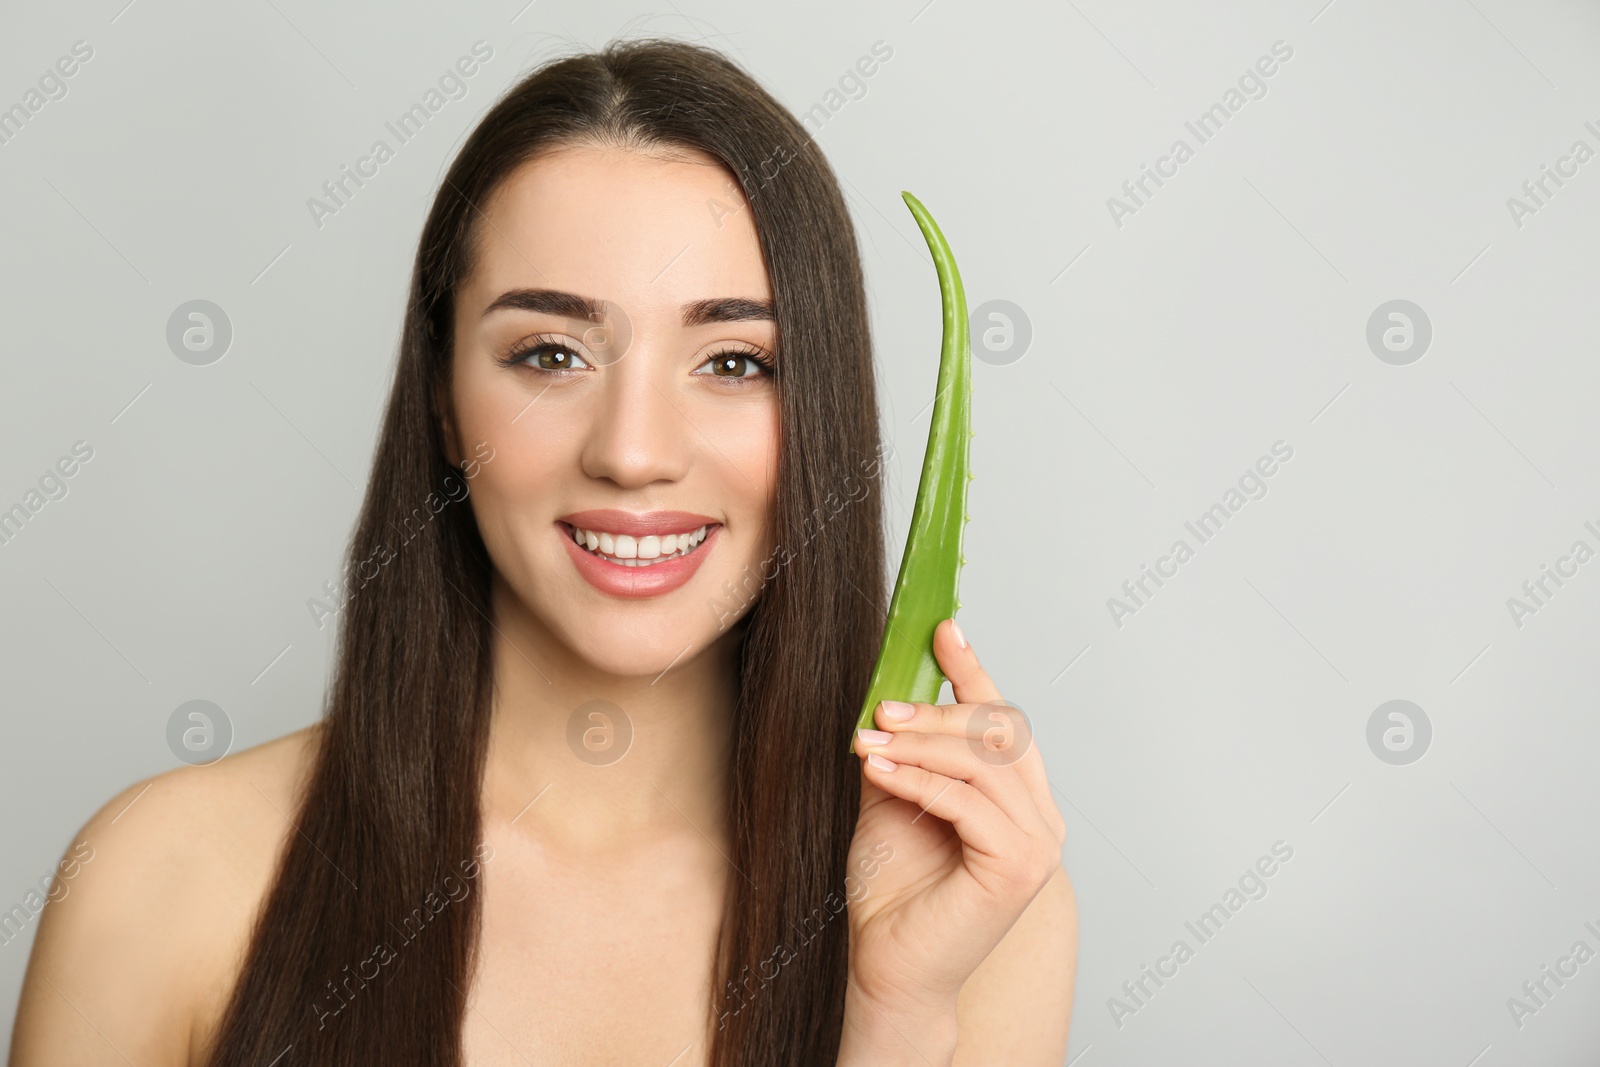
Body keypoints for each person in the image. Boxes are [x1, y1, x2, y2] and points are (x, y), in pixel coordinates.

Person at [9, 36, 1076, 1066]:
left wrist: (896, 1017)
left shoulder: (975, 914)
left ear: (824, 413)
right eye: (550, 353)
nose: (633, 451)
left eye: (734, 362)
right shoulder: (161, 879)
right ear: (439, 397)